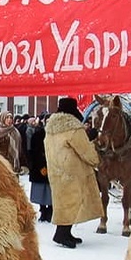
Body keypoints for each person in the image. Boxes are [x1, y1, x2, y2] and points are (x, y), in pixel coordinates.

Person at [44, 97, 103, 248]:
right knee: (73, 202)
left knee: (63, 203)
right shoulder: (73, 128)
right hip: (73, 172)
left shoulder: (51, 128)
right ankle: (61, 234)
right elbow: (84, 150)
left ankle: (65, 232)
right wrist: (96, 158)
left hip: (57, 171)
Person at [28, 115, 53, 222]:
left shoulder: (55, 135)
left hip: (52, 166)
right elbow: (34, 152)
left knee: (51, 191)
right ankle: (43, 210)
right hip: (39, 167)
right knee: (41, 190)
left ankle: (51, 210)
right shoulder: (37, 135)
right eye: (47, 121)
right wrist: (40, 166)